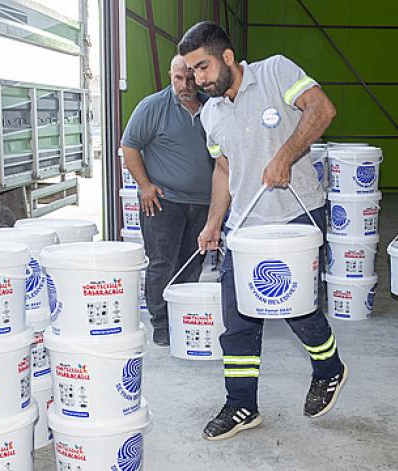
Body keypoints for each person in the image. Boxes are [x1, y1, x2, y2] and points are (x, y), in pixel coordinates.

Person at [179, 21, 347, 441]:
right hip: (244, 228)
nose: (198, 79)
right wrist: (214, 222)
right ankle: (241, 404)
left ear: (228, 57)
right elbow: (224, 168)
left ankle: (329, 369)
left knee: (297, 310)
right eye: (192, 71)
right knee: (236, 321)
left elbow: (322, 109)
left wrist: (286, 154)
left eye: (203, 67)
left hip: (294, 217)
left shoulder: (275, 72)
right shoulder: (212, 113)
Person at [121, 55, 214, 346]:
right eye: (178, 78)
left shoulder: (212, 107)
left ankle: (181, 316)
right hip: (163, 202)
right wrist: (145, 185)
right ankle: (162, 323)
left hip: (202, 203)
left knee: (191, 263)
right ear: (170, 75)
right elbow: (129, 146)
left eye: (190, 78)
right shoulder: (153, 107)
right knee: (162, 262)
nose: (185, 85)